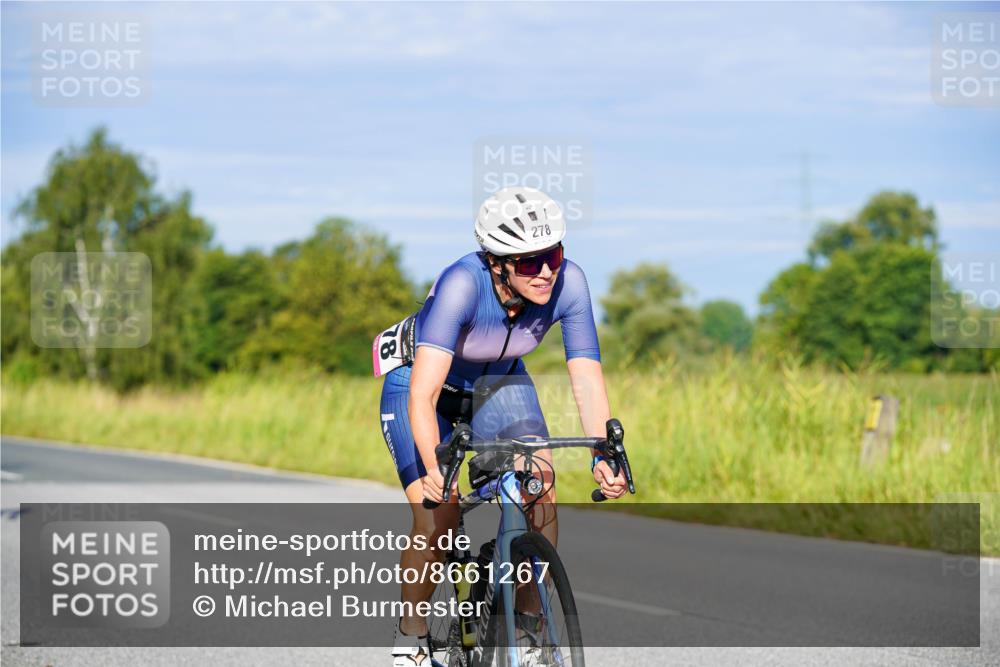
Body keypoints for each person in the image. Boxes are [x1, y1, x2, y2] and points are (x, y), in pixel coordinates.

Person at [376, 186, 626, 666]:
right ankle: (411, 637)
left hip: (500, 381)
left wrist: (602, 451)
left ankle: (530, 632)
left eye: (552, 254)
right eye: (529, 262)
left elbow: (586, 374)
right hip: (425, 386)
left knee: (541, 486)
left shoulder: (570, 284)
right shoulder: (462, 285)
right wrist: (433, 465)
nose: (547, 271)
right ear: (497, 264)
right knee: (438, 515)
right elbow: (424, 394)